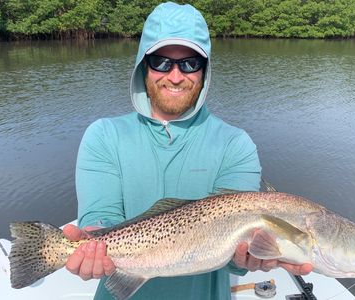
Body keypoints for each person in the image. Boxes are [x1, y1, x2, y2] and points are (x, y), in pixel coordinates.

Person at [62, 2, 312, 299]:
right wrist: (91, 242)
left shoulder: (235, 144)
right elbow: (101, 217)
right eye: (161, 62)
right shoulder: (104, 135)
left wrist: (250, 255)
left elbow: (237, 256)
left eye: (190, 63)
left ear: (205, 71)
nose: (176, 76)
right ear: (144, 65)